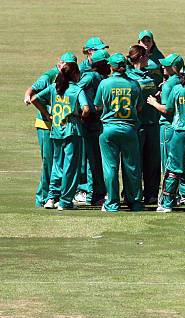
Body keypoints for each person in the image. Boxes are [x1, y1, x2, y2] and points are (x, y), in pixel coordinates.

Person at [31, 53, 90, 210]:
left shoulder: (53, 88)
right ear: (75, 73)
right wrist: (80, 116)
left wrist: (47, 114)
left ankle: (51, 198)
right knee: (70, 166)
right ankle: (65, 201)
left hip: (56, 130)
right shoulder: (76, 90)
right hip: (72, 131)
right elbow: (86, 109)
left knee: (57, 165)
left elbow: (34, 98)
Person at [147, 62, 185, 214]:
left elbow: (168, 109)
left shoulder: (177, 89)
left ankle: (167, 204)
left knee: (174, 168)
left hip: (180, 131)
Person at [94, 53, 143, 212]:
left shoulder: (104, 84)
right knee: (132, 167)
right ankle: (135, 202)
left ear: (112, 67)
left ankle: (113, 203)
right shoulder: (134, 84)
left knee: (110, 168)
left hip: (109, 129)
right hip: (129, 129)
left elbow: (97, 107)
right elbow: (139, 107)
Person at [24, 58, 62, 207]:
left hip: (58, 126)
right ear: (59, 65)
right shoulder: (48, 77)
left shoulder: (67, 77)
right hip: (45, 126)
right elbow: (32, 90)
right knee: (49, 162)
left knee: (57, 163)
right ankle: (42, 197)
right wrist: (45, 113)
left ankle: (53, 195)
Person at [74, 49, 110, 205]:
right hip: (90, 123)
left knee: (96, 159)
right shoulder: (91, 76)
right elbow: (75, 90)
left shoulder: (99, 76)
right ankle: (94, 195)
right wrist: (85, 110)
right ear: (101, 65)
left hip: (95, 122)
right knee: (93, 159)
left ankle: (96, 194)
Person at [127, 45, 161, 204]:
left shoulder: (149, 75)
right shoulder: (129, 77)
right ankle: (132, 193)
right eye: (146, 55)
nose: (149, 58)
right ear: (140, 57)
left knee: (153, 162)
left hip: (153, 123)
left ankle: (152, 193)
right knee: (135, 162)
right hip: (137, 126)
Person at [157, 53, 184, 176]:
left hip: (167, 127)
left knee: (167, 162)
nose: (163, 67)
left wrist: (153, 103)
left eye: (166, 65)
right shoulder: (183, 80)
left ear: (174, 67)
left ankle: (169, 193)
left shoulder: (168, 84)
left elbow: (167, 110)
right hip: (181, 126)